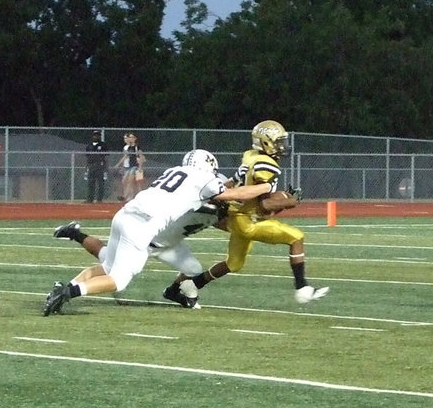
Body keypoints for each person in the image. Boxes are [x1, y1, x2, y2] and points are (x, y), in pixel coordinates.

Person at [42, 149, 271, 316]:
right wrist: (266, 187)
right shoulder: (205, 180)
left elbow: (222, 194)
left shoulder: (177, 171)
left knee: (107, 266)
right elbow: (230, 195)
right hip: (144, 227)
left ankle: (66, 287)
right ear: (209, 165)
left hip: (125, 215)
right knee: (118, 280)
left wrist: (236, 181)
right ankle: (69, 291)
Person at [169, 120, 327, 304]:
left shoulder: (251, 156)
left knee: (234, 263)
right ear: (266, 142)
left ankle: (193, 284)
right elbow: (264, 206)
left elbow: (258, 194)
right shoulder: (267, 166)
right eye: (278, 142)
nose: (282, 146)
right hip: (246, 222)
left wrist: (282, 198)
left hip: (237, 216)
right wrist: (290, 201)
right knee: (296, 237)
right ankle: (302, 288)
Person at [53, 198, 228, 308]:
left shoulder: (217, 212)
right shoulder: (194, 201)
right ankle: (75, 235)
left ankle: (172, 291)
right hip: (146, 241)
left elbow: (226, 224)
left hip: (170, 245)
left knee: (193, 269)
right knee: (107, 262)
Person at [113, 132, 145, 201]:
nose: (130, 138)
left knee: (135, 183)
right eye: (129, 137)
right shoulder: (129, 147)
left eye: (131, 137)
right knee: (126, 180)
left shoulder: (137, 147)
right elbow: (126, 156)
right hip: (130, 166)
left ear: (135, 138)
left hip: (135, 166)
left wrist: (140, 167)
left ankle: (126, 196)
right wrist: (118, 164)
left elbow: (141, 157)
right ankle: (130, 196)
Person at [84, 130, 109, 203]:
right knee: (90, 182)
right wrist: (86, 167)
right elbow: (87, 157)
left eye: (97, 135)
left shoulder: (103, 145)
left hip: (100, 165)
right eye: (95, 135)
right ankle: (89, 199)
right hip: (91, 165)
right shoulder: (89, 145)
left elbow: (107, 156)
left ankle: (99, 199)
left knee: (100, 183)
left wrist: (106, 167)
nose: (96, 136)